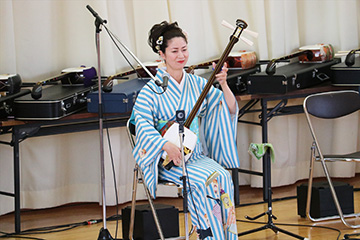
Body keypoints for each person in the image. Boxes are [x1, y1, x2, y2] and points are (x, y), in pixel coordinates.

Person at [131, 21, 240, 239]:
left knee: (222, 176)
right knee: (203, 181)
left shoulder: (198, 84)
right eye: (174, 51)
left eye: (184, 50)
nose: (181, 56)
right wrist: (165, 145)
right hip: (166, 159)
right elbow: (140, 124)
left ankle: (224, 236)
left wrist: (224, 84)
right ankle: (205, 235)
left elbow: (225, 109)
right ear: (161, 54)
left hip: (194, 155)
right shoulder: (151, 90)